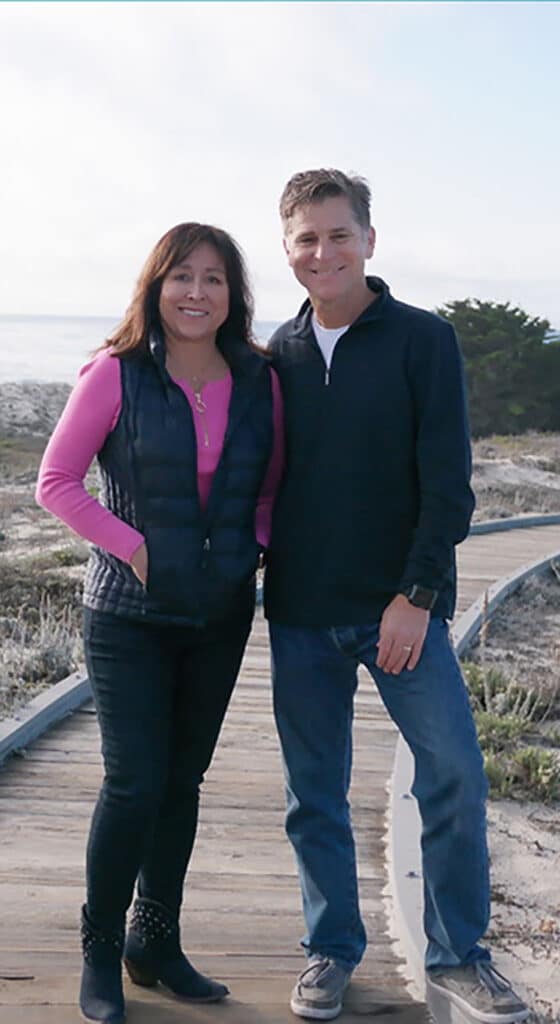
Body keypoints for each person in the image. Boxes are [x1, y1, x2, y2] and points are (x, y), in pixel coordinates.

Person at [264, 169, 529, 1024]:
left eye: (339, 233)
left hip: (401, 611)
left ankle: (457, 955)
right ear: (288, 250)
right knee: (315, 792)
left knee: (452, 771)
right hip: (302, 611)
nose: (323, 250)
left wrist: (415, 595)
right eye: (307, 237)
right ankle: (331, 950)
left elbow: (447, 486)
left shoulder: (424, 339)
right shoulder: (281, 351)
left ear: (369, 240)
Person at [36, 222, 283, 1024]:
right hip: (128, 615)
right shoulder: (116, 374)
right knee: (135, 781)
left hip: (218, 614)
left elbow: (270, 490)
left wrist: (259, 547)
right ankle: (101, 951)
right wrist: (133, 547)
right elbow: (57, 481)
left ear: (233, 295)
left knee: (183, 783)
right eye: (182, 277)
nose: (196, 293)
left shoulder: (260, 380)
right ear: (155, 285)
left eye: (214, 279)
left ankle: (156, 941)